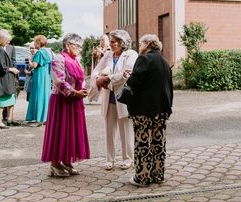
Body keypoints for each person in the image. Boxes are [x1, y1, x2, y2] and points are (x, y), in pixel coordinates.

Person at [122, 34, 173, 187]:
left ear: (149, 43)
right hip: (162, 109)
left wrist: (128, 78)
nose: (139, 46)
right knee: (158, 142)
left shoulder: (144, 59)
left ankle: (142, 177)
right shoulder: (164, 61)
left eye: (141, 43)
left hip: (144, 110)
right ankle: (158, 175)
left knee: (143, 142)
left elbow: (135, 82)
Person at [41, 33, 90, 177]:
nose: (80, 49)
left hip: (74, 100)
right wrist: (75, 92)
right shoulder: (58, 59)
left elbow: (81, 78)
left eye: (81, 47)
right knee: (59, 132)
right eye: (77, 46)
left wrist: (83, 90)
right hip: (61, 100)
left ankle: (66, 161)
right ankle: (55, 164)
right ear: (68, 45)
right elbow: (59, 81)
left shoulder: (76, 60)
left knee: (71, 132)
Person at [90, 29, 137, 171]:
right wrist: (99, 78)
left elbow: (126, 75)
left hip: (123, 99)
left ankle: (128, 159)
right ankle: (109, 159)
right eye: (110, 41)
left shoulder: (131, 55)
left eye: (113, 42)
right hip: (109, 98)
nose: (110, 44)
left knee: (126, 130)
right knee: (109, 130)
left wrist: (107, 79)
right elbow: (96, 71)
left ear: (122, 43)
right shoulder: (109, 55)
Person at [26, 35, 53, 126]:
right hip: (47, 76)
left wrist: (30, 61)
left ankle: (38, 120)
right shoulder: (49, 52)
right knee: (45, 97)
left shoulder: (39, 52)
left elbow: (34, 65)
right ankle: (45, 118)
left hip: (39, 76)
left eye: (35, 42)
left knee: (38, 96)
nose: (34, 43)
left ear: (38, 43)